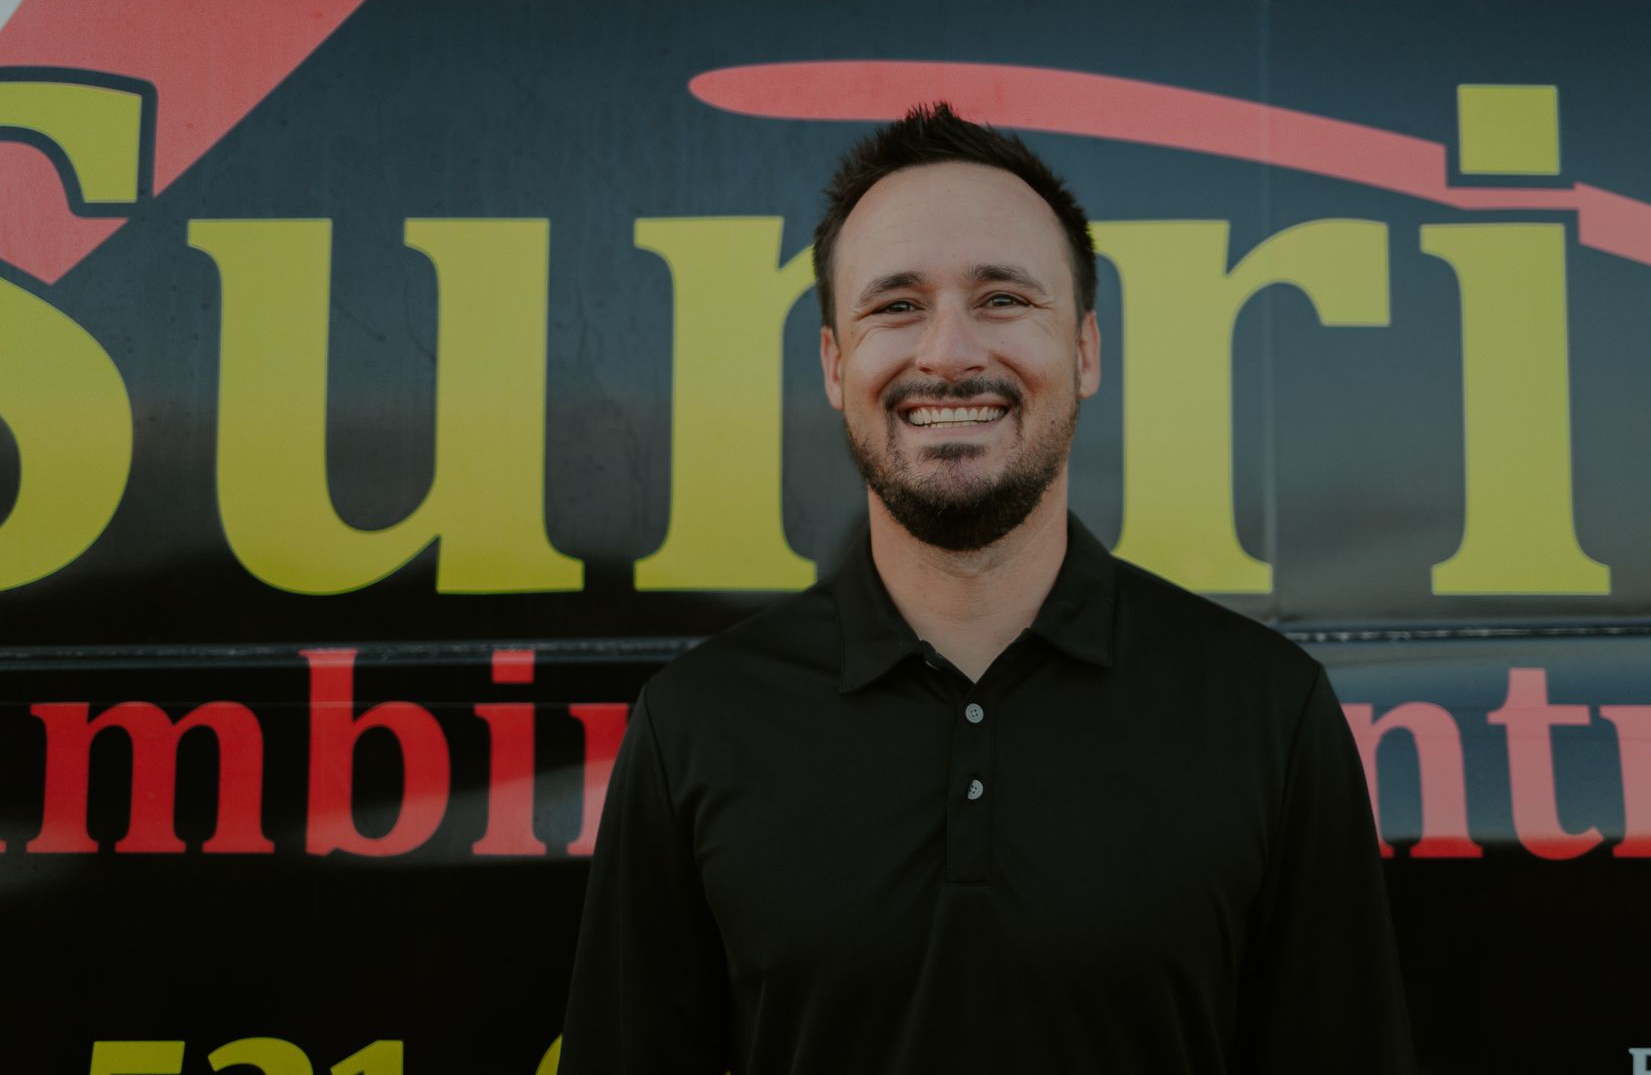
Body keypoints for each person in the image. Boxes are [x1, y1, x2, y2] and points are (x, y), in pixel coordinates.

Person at [560, 102, 1413, 1073]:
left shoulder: (1266, 710)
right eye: (896, 305)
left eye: (1003, 298)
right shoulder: (695, 726)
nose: (950, 352)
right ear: (836, 365)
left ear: (1085, 350)